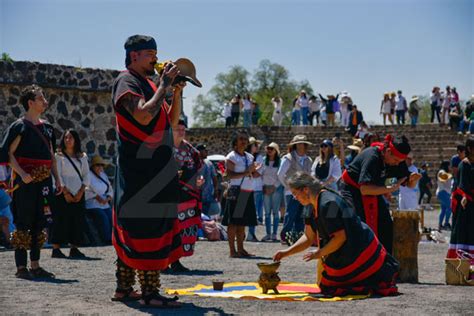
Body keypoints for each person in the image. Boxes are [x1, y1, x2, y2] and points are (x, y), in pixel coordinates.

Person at [110, 35, 186, 307]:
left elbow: (171, 120)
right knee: (143, 227)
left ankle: (124, 289)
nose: (156, 58)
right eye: (150, 53)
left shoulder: (149, 83)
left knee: (141, 225)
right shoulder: (126, 81)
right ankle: (150, 294)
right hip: (139, 172)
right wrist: (164, 84)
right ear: (134, 56)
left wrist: (175, 91)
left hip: (153, 170)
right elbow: (142, 115)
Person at [273, 172, 399, 297]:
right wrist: (286, 252)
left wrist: (319, 253)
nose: (295, 197)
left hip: (360, 247)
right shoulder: (310, 205)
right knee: (327, 285)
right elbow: (308, 237)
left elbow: (340, 237)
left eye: (295, 193)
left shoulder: (329, 203)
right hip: (344, 249)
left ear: (305, 189)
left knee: (331, 287)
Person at [0, 84, 61, 279]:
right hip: (24, 182)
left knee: (39, 221)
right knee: (23, 223)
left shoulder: (48, 128)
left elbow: (51, 155)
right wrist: (22, 173)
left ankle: (35, 265)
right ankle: (21, 268)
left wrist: (57, 179)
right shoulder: (19, 126)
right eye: (41, 97)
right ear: (30, 103)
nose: (45, 101)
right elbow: (9, 154)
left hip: (44, 182)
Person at [339, 135, 421, 254]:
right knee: (358, 224)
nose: (397, 164)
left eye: (400, 162)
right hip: (352, 189)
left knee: (386, 226)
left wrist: (413, 180)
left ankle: (384, 261)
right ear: (388, 152)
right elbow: (364, 189)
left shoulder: (397, 160)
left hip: (375, 189)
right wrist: (388, 188)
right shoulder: (372, 156)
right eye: (396, 161)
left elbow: (406, 182)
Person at [50, 129, 89, 259]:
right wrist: (65, 192)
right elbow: (58, 174)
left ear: (76, 140)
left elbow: (86, 174)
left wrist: (81, 191)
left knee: (77, 220)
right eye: (66, 138)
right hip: (62, 191)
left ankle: (74, 248)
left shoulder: (82, 157)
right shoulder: (58, 156)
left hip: (79, 191)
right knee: (60, 219)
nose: (68, 140)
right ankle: (56, 248)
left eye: (71, 137)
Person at [170, 119, 203, 272]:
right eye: (178, 129)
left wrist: (198, 181)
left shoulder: (191, 151)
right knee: (169, 229)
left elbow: (197, 169)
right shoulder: (164, 148)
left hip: (187, 197)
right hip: (168, 195)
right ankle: (165, 261)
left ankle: (176, 261)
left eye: (183, 129)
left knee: (183, 228)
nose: (181, 131)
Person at [222, 129, 258, 257]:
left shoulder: (249, 156)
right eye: (241, 139)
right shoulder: (231, 157)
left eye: (245, 139)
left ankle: (241, 249)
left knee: (242, 222)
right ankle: (232, 251)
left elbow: (252, 173)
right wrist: (247, 172)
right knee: (233, 222)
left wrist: (254, 171)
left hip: (246, 190)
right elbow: (230, 175)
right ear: (235, 142)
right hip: (235, 190)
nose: (244, 141)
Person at [277, 135, 313, 244]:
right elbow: (280, 174)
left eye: (303, 143)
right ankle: (285, 236)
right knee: (290, 214)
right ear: (295, 145)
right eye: (299, 143)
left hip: (304, 192)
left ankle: (298, 237)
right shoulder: (288, 158)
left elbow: (310, 175)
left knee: (301, 215)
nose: (301, 145)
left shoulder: (308, 159)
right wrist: (288, 187)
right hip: (291, 192)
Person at [448, 137, 474, 259]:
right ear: (470, 148)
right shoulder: (464, 164)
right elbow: (462, 186)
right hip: (466, 204)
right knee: (466, 232)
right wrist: (464, 197)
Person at [85, 156, 113, 245]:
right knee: (103, 217)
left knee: (111, 217)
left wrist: (108, 198)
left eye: (101, 165)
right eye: (97, 165)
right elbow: (86, 190)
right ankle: (107, 239)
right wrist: (97, 197)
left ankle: (114, 239)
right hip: (92, 204)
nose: (100, 167)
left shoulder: (103, 175)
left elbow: (110, 189)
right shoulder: (88, 175)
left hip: (104, 203)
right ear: (93, 166)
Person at [261, 142, 282, 242]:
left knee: (275, 212)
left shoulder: (280, 162)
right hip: (266, 188)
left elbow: (281, 176)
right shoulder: (264, 160)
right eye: (268, 148)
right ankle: (268, 233)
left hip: (276, 189)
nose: (269, 150)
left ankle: (274, 234)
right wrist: (264, 186)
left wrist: (274, 187)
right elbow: (261, 174)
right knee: (267, 213)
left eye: (271, 149)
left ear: (276, 151)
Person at [247, 137, 264, 242]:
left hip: (256, 187)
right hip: (247, 187)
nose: (257, 147)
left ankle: (251, 233)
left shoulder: (259, 158)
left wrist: (249, 171)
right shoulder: (246, 157)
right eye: (255, 145)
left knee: (255, 212)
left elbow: (257, 174)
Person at [196, 144, 219, 218]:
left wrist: (215, 189)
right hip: (197, 196)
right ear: (198, 152)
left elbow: (214, 177)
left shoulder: (209, 163)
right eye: (205, 151)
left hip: (208, 195)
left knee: (207, 218)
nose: (207, 152)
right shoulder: (194, 163)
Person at [436, 161, 453, 231]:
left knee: (443, 210)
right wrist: (451, 175)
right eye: (449, 166)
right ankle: (446, 224)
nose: (450, 167)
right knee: (450, 207)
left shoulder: (445, 172)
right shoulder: (441, 171)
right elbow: (443, 179)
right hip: (443, 192)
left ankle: (440, 225)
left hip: (444, 192)